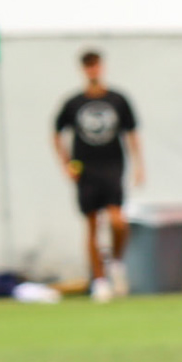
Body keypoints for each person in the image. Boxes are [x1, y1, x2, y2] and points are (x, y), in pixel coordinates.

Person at [53, 50, 143, 303]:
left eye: (95, 65)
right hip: (85, 168)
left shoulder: (117, 99)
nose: (92, 70)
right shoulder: (73, 103)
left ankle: (116, 262)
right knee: (92, 224)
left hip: (112, 165)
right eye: (88, 66)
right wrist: (65, 164)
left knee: (118, 221)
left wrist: (139, 165)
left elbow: (132, 133)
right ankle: (100, 280)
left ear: (102, 67)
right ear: (83, 70)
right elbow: (56, 132)